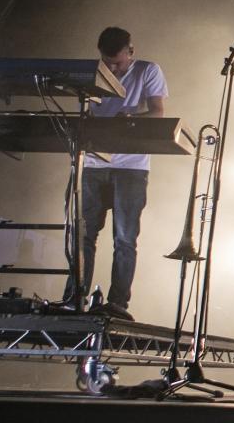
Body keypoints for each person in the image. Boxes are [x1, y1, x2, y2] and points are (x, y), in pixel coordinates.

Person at [63, 26, 167, 320]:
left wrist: (131, 117)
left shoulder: (148, 70)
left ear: (130, 52)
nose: (112, 67)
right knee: (83, 235)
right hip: (94, 163)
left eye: (118, 63)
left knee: (124, 238)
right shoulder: (96, 72)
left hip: (131, 167)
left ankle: (117, 303)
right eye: (107, 61)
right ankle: (74, 297)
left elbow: (158, 111)